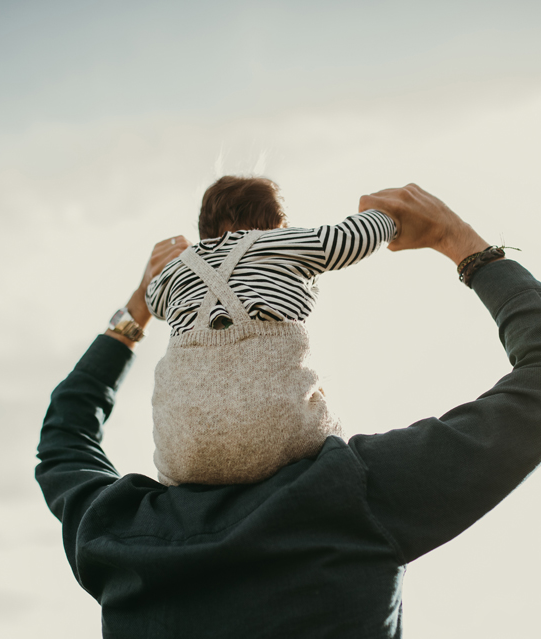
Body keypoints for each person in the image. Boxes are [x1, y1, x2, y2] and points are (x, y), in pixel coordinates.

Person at [36, 184, 541, 639]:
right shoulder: (349, 496)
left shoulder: (117, 534)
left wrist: (134, 313)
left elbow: (63, 438)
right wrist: (459, 242)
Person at [143, 175, 398, 485]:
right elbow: (346, 240)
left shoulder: (178, 268)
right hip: (279, 428)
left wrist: (173, 265)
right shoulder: (277, 243)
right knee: (333, 448)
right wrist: (386, 216)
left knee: (179, 461)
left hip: (184, 452)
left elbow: (153, 301)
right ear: (276, 222)